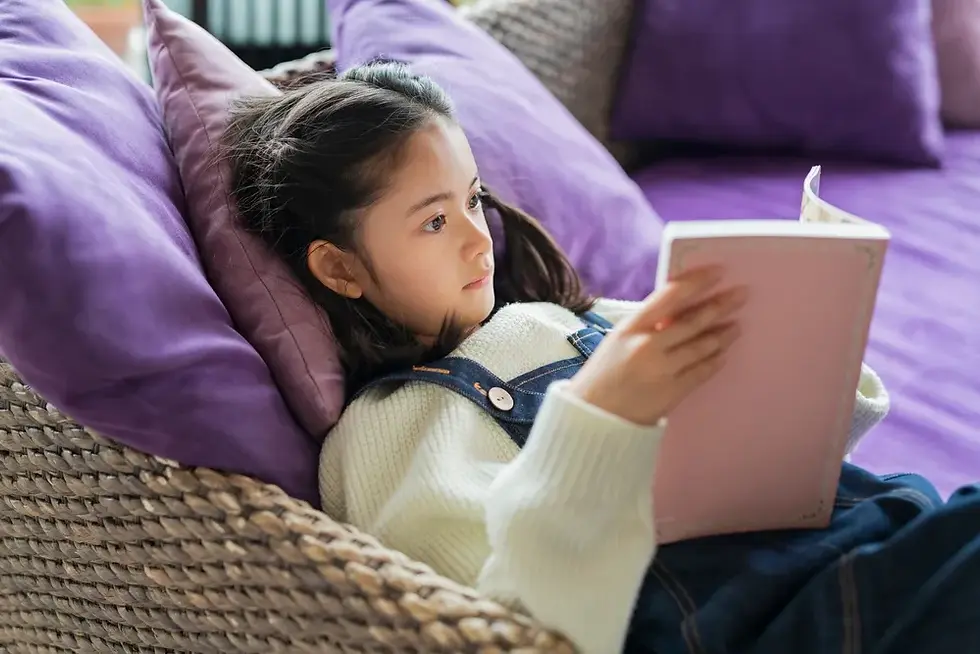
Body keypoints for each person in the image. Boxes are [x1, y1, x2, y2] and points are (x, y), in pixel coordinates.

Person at [224, 59, 980, 654]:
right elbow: (511, 623)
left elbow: (801, 448)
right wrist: (599, 417)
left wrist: (814, 335)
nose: (477, 236)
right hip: (771, 614)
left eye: (474, 199)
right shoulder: (392, 426)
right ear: (341, 269)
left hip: (880, 528)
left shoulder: (566, 318)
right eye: (431, 221)